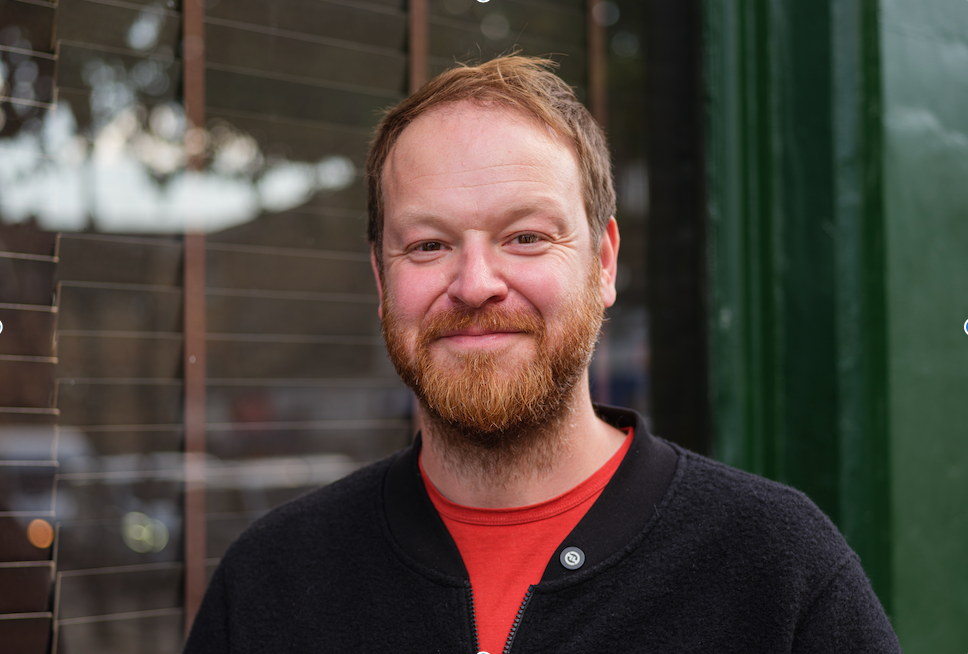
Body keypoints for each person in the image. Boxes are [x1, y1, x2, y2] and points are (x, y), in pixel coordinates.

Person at [184, 56, 901, 653]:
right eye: (429, 244)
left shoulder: (776, 571)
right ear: (381, 279)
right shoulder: (272, 584)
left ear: (605, 263)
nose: (474, 285)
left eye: (525, 237)